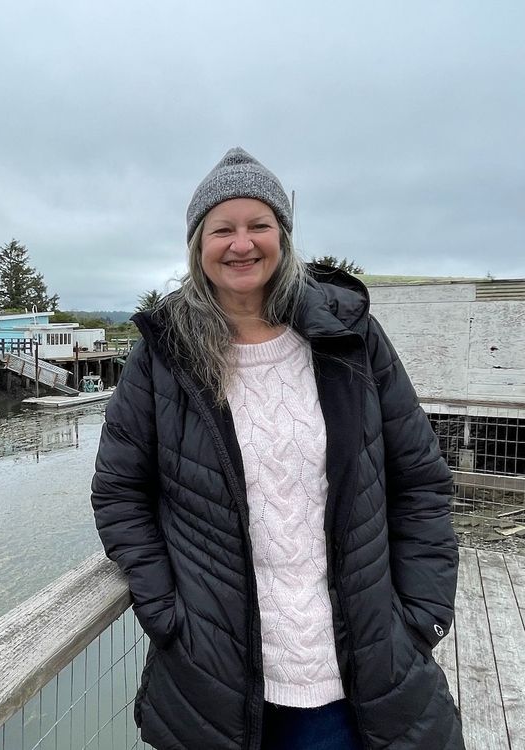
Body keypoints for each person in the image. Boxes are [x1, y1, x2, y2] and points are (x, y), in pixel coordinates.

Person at [90, 148, 463, 750]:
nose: (242, 243)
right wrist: (165, 614)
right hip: (217, 680)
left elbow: (418, 479)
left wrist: (420, 614)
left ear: (283, 237)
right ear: (197, 245)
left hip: (361, 670)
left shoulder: (351, 336)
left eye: (259, 224)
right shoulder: (164, 354)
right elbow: (120, 492)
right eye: (223, 228)